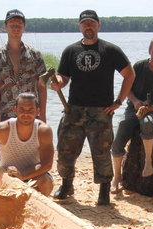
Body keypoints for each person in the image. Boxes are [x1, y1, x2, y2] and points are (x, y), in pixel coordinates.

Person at [51, 10, 134, 206]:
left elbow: (129, 75)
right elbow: (64, 78)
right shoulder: (70, 51)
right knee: (65, 149)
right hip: (74, 110)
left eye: (91, 23)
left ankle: (104, 191)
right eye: (84, 24)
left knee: (101, 152)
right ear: (80, 26)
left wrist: (119, 101)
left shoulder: (110, 50)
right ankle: (66, 185)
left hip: (101, 111)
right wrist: (58, 82)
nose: (88, 27)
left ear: (98, 25)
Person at [110, 37, 153, 192]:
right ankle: (116, 177)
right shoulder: (138, 66)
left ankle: (148, 161)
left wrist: (150, 109)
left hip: (152, 110)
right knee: (120, 131)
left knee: (146, 123)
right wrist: (136, 102)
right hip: (133, 108)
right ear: (149, 51)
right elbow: (127, 89)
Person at [0, 92, 54, 196]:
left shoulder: (43, 130)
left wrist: (23, 175)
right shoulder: (4, 129)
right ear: (15, 109)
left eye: (30, 110)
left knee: (46, 181)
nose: (26, 114)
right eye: (22, 110)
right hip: (8, 174)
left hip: (33, 174)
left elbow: (47, 163)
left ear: (38, 111)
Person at [0, 10, 47, 136]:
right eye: (12, 24)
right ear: (6, 27)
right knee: (6, 154)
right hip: (6, 114)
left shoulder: (35, 55)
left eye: (19, 24)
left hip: (30, 114)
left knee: (32, 154)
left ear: (24, 27)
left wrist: (42, 115)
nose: (15, 27)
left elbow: (41, 87)